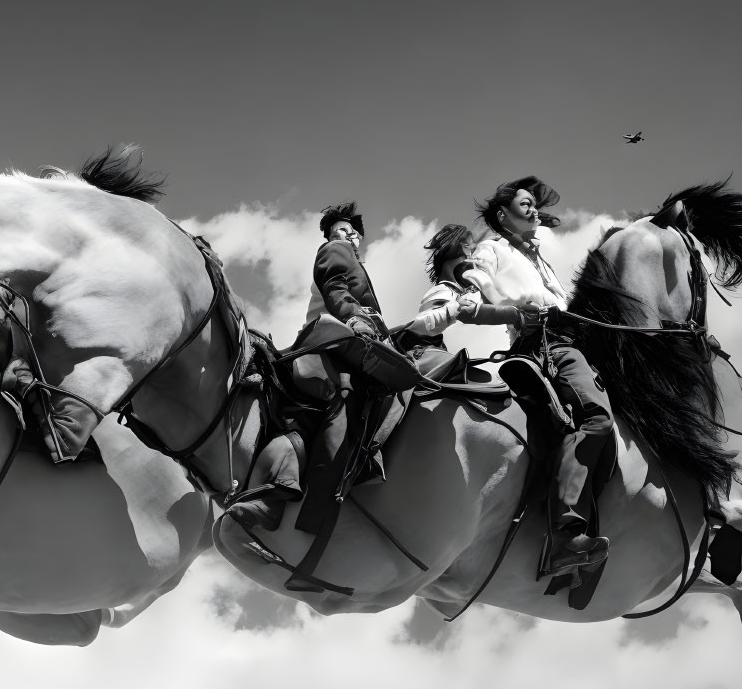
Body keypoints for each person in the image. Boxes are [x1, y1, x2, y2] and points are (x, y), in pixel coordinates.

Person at [458, 175, 614, 576]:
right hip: (545, 348)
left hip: (571, 344)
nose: (533, 209)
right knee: (595, 418)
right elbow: (467, 307)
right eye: (524, 204)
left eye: (533, 204)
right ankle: (566, 533)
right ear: (502, 216)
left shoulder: (539, 259)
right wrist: (517, 314)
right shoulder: (491, 250)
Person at [226, 202, 391, 534]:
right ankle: (289, 494)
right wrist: (355, 317)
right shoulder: (334, 251)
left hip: (352, 344)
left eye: (354, 233)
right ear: (330, 237)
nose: (350, 236)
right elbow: (335, 289)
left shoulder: (354, 259)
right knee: (341, 405)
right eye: (341, 231)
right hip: (328, 349)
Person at [391, 223, 481, 361]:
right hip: (426, 360)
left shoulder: (461, 292)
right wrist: (456, 308)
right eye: (470, 249)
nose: (474, 259)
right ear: (454, 251)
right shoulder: (444, 290)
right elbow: (420, 325)